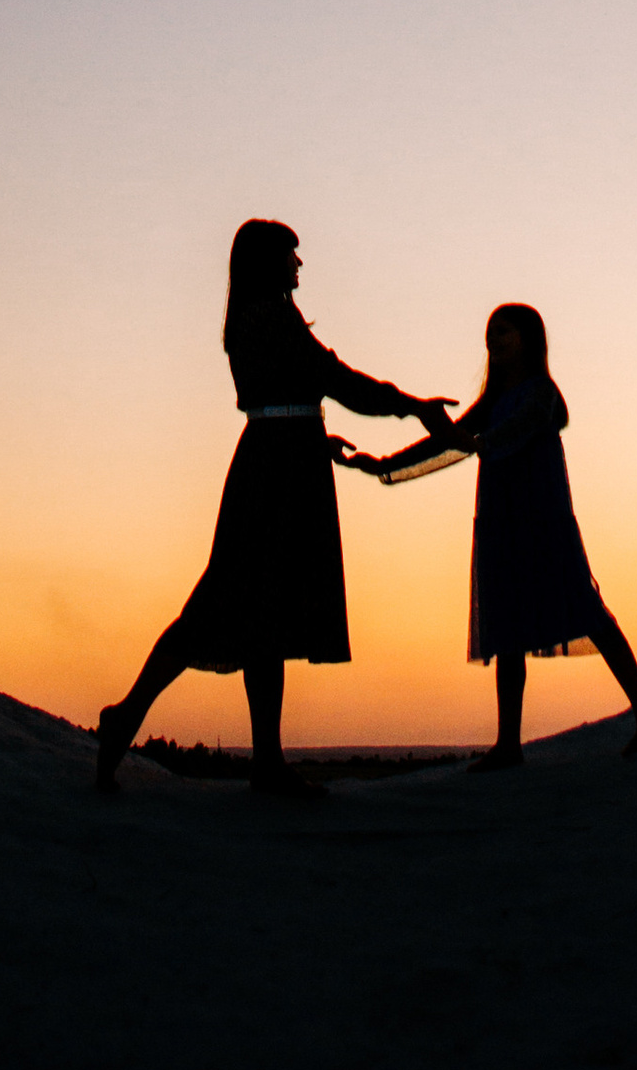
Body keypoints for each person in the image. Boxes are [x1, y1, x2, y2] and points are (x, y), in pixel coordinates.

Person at [95, 219, 452, 797]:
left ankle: (264, 762)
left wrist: (315, 438)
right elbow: (335, 380)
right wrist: (412, 407)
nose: (300, 265)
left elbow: (292, 397)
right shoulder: (269, 315)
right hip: (276, 474)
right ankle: (133, 716)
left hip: (284, 460)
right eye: (292, 254)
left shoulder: (256, 316)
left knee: (266, 612)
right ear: (269, 260)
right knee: (223, 606)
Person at [353, 302, 637, 765]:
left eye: (505, 332)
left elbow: (512, 431)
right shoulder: (494, 399)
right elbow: (450, 441)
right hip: (500, 518)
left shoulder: (543, 392)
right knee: (506, 621)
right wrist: (383, 465)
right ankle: (508, 742)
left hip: (542, 516)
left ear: (529, 339)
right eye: (491, 333)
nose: (495, 340)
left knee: (585, 609)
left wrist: (477, 443)